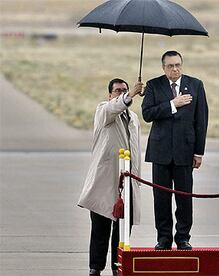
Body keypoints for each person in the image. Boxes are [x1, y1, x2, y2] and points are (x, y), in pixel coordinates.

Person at [141, 50, 208, 251]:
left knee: (184, 197)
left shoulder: (195, 85)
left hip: (185, 152)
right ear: (163, 67)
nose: (175, 69)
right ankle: (163, 238)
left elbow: (201, 120)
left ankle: (183, 238)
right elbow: (147, 114)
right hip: (160, 152)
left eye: (178, 64)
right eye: (170, 66)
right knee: (161, 198)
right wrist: (172, 104)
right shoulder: (154, 85)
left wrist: (199, 152)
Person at [78, 78, 143, 276]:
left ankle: (118, 266)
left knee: (123, 230)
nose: (121, 93)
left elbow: (136, 150)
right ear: (110, 95)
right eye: (117, 91)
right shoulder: (103, 111)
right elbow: (114, 108)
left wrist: (137, 179)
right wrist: (130, 94)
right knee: (101, 228)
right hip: (105, 182)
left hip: (128, 182)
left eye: (124, 90)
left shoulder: (133, 118)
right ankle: (95, 268)